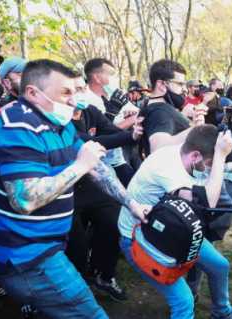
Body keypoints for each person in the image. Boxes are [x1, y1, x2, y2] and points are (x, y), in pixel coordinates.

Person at [0, 59, 150, 318]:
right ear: (33, 93)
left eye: (76, 91)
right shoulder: (18, 126)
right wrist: (79, 166)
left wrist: (131, 203)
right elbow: (24, 199)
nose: (74, 99)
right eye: (66, 92)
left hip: (43, 247)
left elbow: (97, 167)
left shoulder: (58, 122)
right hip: (26, 256)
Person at [118, 124, 232, 319]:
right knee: (183, 301)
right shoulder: (170, 171)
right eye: (209, 164)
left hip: (169, 228)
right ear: (195, 156)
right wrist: (220, 157)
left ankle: (222, 313)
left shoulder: (186, 152)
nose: (210, 170)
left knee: (219, 266)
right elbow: (209, 203)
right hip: (138, 237)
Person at [65, 73, 144, 301]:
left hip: (92, 181)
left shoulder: (91, 111)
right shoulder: (59, 121)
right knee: (76, 245)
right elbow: (90, 142)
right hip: (64, 188)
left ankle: (104, 275)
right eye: (70, 90)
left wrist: (133, 132)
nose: (78, 95)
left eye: (80, 89)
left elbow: (111, 132)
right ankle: (73, 288)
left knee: (114, 222)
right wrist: (130, 136)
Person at [84, 58, 137, 185]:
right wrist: (130, 120)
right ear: (97, 77)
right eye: (110, 74)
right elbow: (102, 132)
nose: (113, 78)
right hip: (101, 164)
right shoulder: (87, 100)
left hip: (119, 158)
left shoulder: (111, 97)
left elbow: (136, 112)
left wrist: (128, 116)